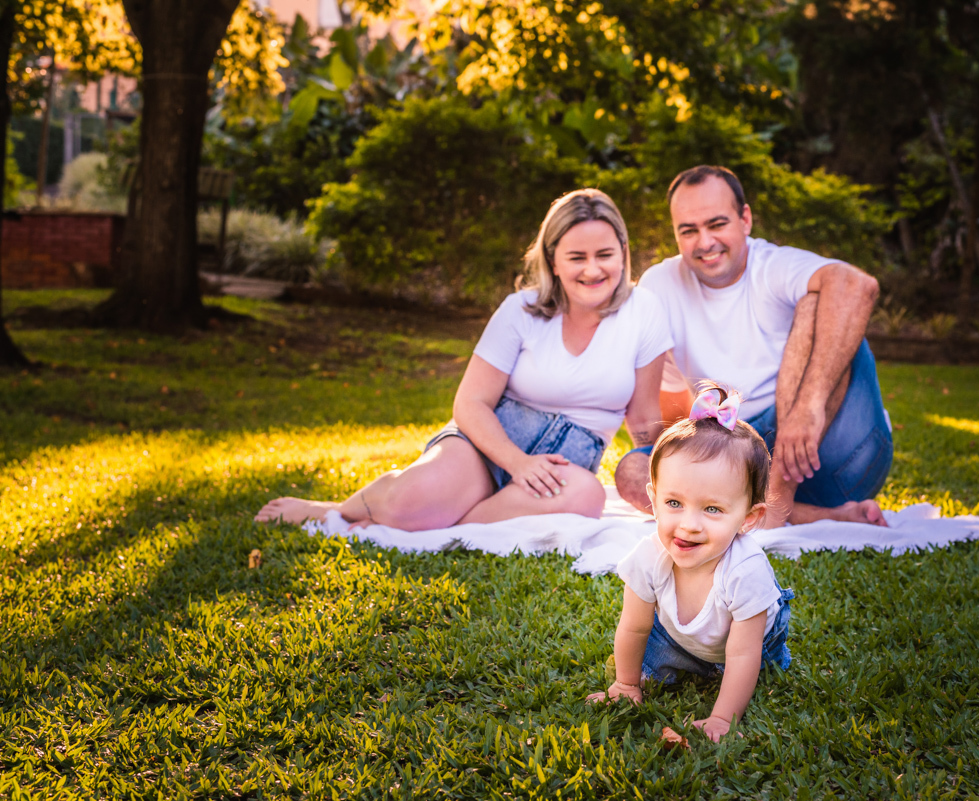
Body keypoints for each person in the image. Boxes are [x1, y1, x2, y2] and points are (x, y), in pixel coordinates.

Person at [255, 189, 672, 530]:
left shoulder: (644, 310)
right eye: (576, 258)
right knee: (408, 503)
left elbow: (643, 419)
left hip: (562, 467)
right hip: (487, 444)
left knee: (587, 496)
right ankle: (337, 509)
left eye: (604, 254)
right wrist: (517, 462)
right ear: (552, 261)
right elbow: (470, 403)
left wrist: (664, 485)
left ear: (623, 251)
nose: (593, 270)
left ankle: (442, 524)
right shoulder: (520, 309)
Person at [614, 165, 891, 529]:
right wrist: (677, 458)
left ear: (745, 219)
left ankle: (775, 503)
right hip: (742, 458)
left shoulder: (773, 265)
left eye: (716, 224)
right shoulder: (660, 286)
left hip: (833, 449)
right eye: (689, 230)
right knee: (633, 469)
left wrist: (808, 409)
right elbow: (670, 411)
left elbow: (857, 285)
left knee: (817, 301)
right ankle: (802, 516)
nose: (705, 242)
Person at [587, 385, 793, 743]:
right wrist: (625, 683)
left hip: (751, 641)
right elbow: (635, 627)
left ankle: (727, 673)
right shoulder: (648, 557)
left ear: (748, 517)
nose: (689, 524)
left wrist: (721, 719)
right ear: (653, 498)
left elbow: (743, 652)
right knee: (648, 654)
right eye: (674, 503)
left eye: (712, 509)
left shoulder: (746, 571)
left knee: (752, 666)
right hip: (678, 637)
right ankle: (677, 666)